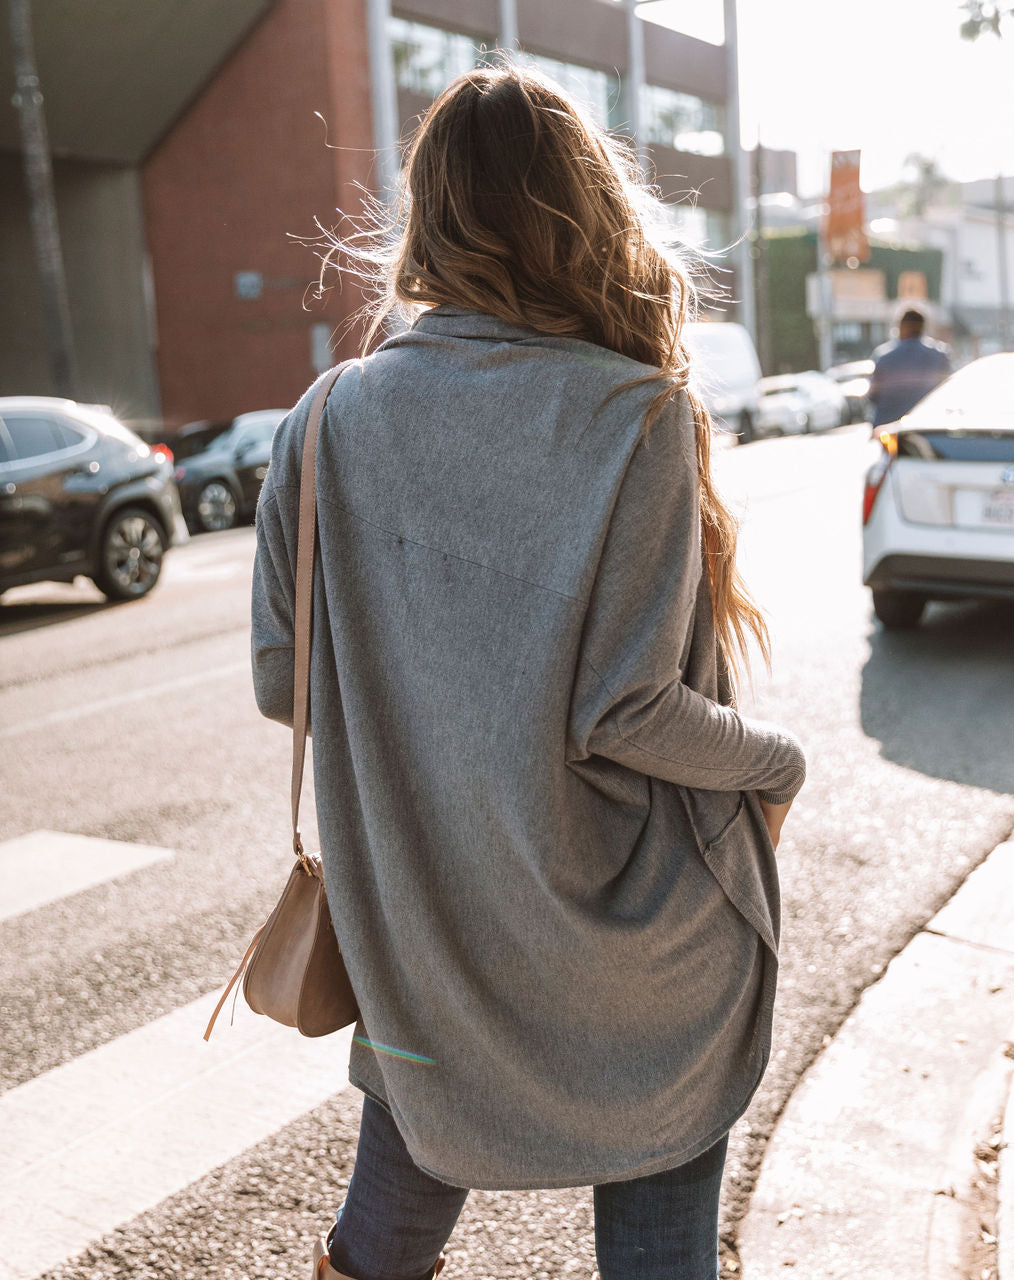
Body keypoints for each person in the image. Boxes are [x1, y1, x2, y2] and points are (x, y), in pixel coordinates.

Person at [251, 65, 806, 1280]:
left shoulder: (324, 418)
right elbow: (628, 708)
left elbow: (283, 686)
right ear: (585, 210)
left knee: (381, 1239)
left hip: (426, 933)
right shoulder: (639, 416)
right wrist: (778, 760)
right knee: (659, 1225)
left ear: (429, 214)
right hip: (628, 948)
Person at [867, 307, 951, 428]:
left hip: (888, 428)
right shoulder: (940, 354)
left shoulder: (884, 355)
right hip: (926, 426)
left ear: (901, 327)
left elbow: (873, 395)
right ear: (922, 328)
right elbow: (944, 391)